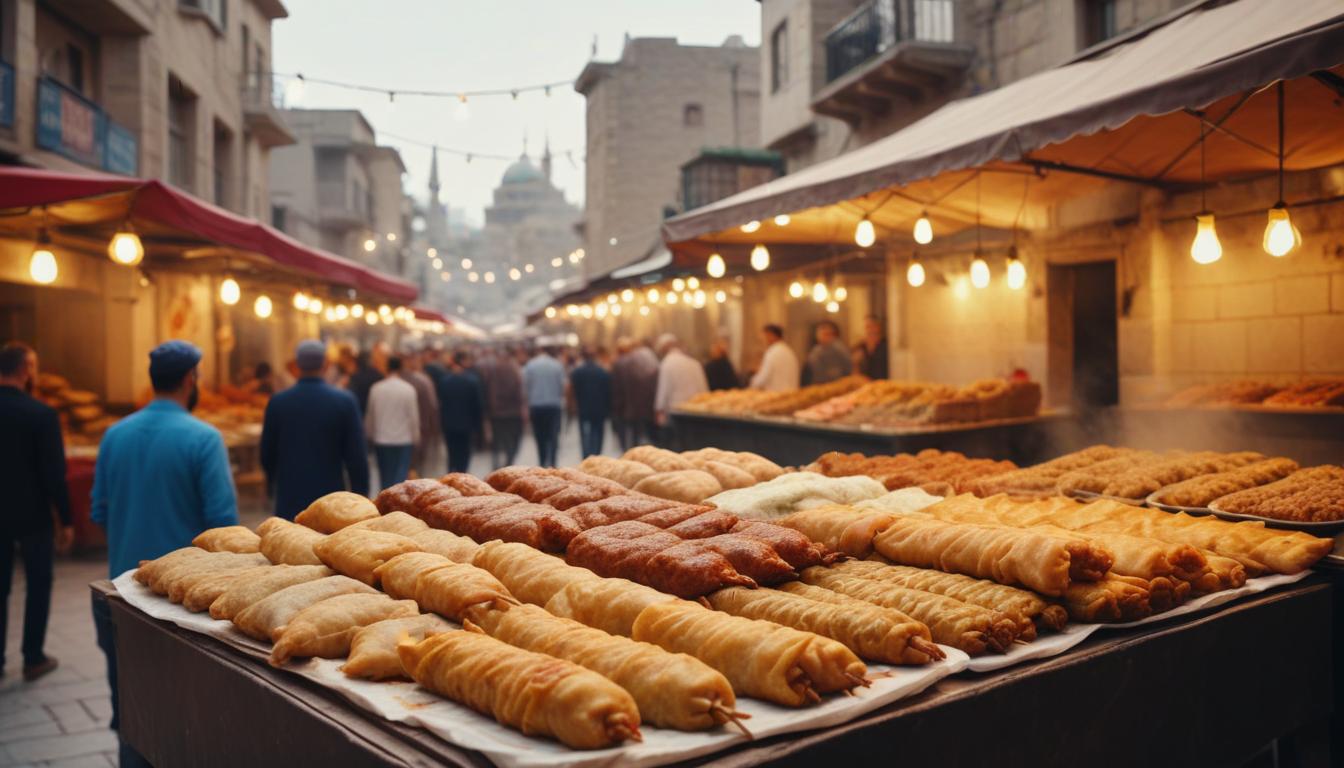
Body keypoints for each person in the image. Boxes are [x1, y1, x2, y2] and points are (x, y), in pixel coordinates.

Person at [92, 340, 238, 766]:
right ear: (191, 380)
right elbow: (224, 529)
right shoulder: (204, 439)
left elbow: (99, 510)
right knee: (184, 722)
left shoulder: (114, 434)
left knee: (132, 715)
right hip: (180, 606)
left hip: (117, 592)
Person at [0, 342, 72, 682]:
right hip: (33, 515)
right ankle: (33, 657)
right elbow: (54, 474)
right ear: (26, 369)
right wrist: (67, 519)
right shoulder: (41, 414)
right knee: (39, 583)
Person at [260, 340, 369, 520]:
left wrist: (271, 483)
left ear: (297, 365)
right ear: (325, 364)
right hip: (330, 497)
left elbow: (267, 452)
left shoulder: (278, 402)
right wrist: (360, 494)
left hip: (290, 492)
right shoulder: (343, 401)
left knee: (289, 543)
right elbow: (356, 456)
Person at [364, 356, 419, 489]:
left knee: (385, 476)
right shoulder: (408, 389)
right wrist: (416, 437)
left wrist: (369, 434)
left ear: (386, 368)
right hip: (403, 439)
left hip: (381, 439)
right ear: (401, 368)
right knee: (400, 477)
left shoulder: (376, 388)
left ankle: (385, 504)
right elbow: (413, 416)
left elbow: (370, 415)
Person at [654, 334, 708, 448]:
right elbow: (704, 391)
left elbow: (664, 390)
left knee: (678, 446)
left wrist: (659, 410)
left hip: (676, 413)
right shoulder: (695, 363)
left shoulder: (667, 364)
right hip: (697, 413)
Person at [437, 351, 484, 473]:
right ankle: (462, 475)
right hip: (467, 424)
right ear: (463, 362)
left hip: (449, 424)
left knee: (452, 452)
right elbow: (478, 405)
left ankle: (451, 473)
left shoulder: (444, 381)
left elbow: (440, 403)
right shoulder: (472, 381)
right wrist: (478, 426)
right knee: (465, 453)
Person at [610, 338, 659, 451]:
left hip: (624, 405)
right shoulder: (640, 361)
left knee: (626, 435)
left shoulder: (620, 363)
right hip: (638, 405)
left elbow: (616, 387)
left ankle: (627, 451)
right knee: (635, 434)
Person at [481, 348, 526, 469]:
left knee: (497, 440)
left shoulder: (493, 370)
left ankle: (496, 465)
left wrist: (489, 410)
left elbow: (488, 391)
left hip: (497, 413)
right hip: (513, 412)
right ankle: (510, 461)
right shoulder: (514, 370)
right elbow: (520, 392)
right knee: (512, 439)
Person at [522, 346, 565, 467]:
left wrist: (526, 404)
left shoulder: (530, 365)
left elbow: (525, 386)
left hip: (536, 405)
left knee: (540, 435)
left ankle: (542, 461)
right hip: (554, 405)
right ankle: (553, 462)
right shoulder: (557, 365)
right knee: (553, 435)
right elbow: (562, 385)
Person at [402, 350, 442, 478]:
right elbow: (432, 407)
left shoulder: (401, 380)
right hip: (422, 429)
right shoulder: (424, 381)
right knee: (418, 467)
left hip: (404, 431)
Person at [568, 347, 611, 458]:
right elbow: (608, 392)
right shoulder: (602, 372)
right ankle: (596, 455)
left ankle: (586, 456)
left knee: (585, 435)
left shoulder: (577, 372)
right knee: (598, 433)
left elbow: (572, 391)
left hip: (583, 408)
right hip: (599, 409)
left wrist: (572, 407)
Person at [749, 324, 801, 392]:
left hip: (776, 395)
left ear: (771, 335)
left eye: (763, 336)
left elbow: (763, 378)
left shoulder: (772, 352)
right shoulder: (789, 351)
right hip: (790, 394)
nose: (761, 339)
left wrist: (752, 382)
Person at [806, 320, 853, 385]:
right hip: (820, 385)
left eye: (825, 333)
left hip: (836, 385)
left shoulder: (839, 350)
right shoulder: (816, 351)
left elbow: (846, 369)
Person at [345, 349, 383, 415]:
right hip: (374, 411)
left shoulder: (355, 377)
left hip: (359, 411)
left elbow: (351, 395)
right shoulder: (379, 376)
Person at [855, 315, 890, 380]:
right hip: (866, 383)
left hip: (882, 382)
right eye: (867, 327)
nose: (870, 330)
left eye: (872, 326)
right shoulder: (861, 346)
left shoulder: (885, 345)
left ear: (878, 327)